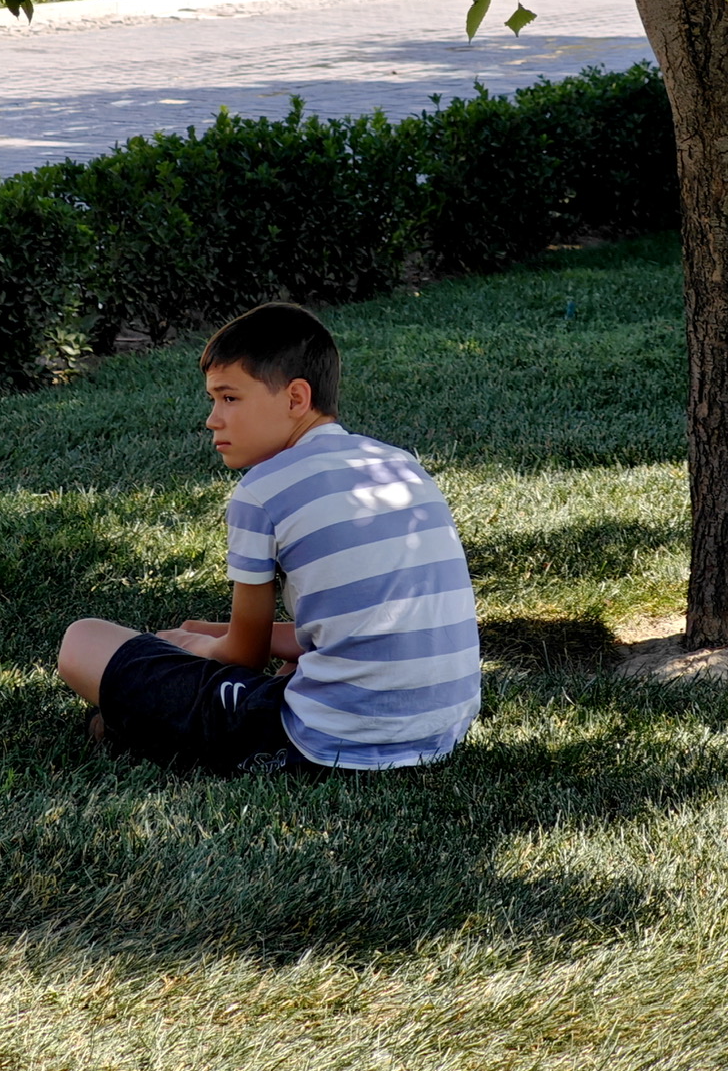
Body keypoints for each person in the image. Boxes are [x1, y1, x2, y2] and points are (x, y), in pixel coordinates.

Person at [55, 302, 482, 778]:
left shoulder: (262, 491)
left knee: (83, 640)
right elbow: (355, 627)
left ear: (296, 398)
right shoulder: (401, 466)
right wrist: (215, 630)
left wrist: (193, 644)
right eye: (213, 400)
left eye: (229, 398)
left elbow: (244, 656)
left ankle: (146, 728)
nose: (213, 419)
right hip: (439, 732)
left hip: (323, 742)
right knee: (274, 664)